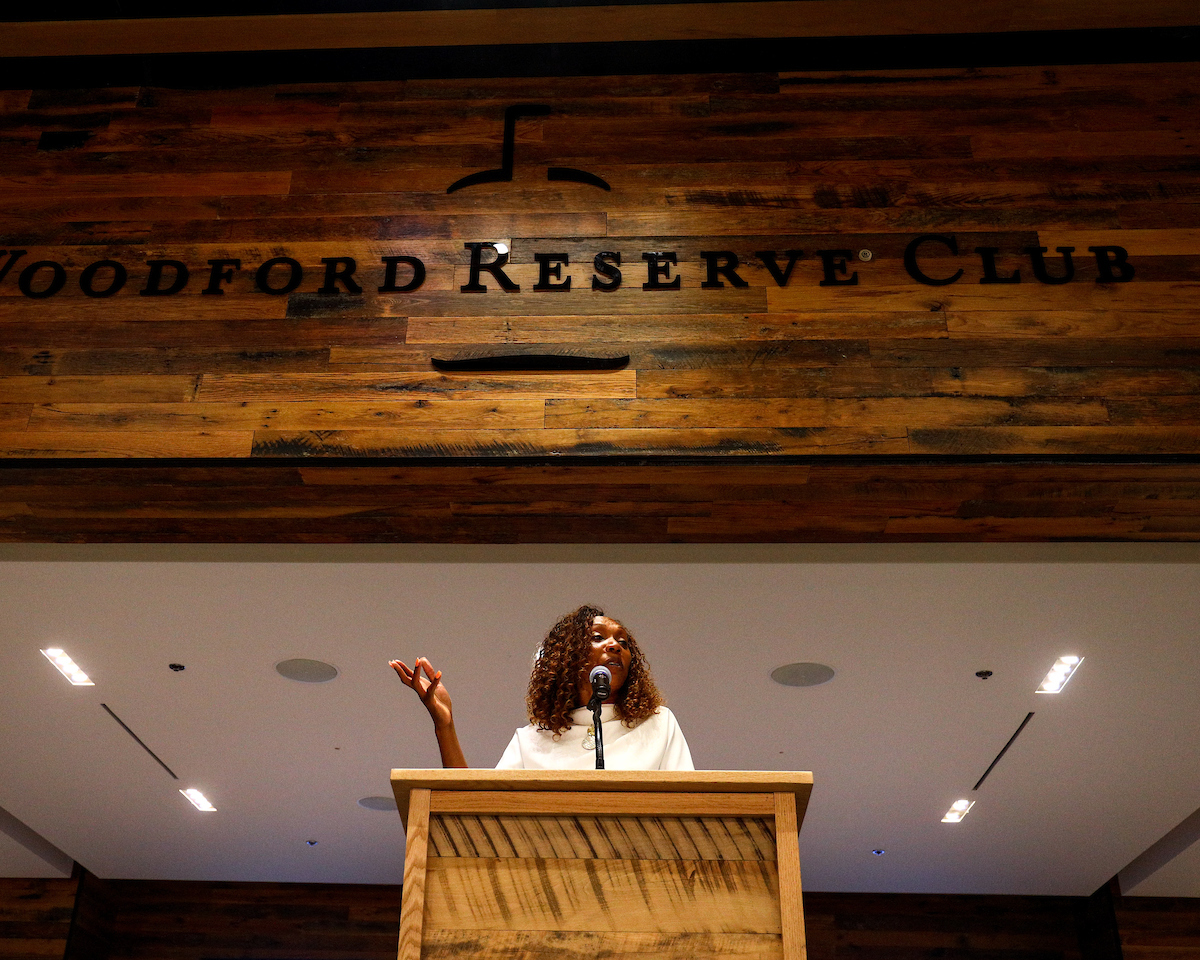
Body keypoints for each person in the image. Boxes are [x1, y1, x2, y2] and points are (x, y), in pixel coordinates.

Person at [390, 604, 693, 770]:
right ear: (568, 657)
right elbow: (478, 812)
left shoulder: (658, 725)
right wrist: (445, 725)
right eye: (598, 638)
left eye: (623, 642)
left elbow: (688, 809)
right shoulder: (531, 741)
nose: (615, 646)